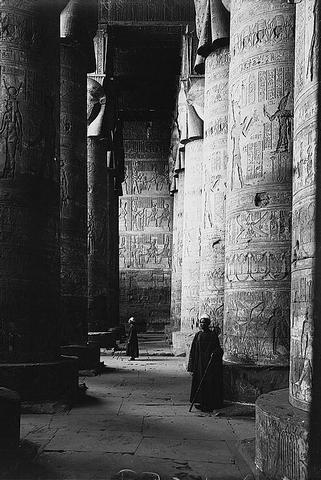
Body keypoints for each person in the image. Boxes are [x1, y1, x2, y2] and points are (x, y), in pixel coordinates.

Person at [187, 314, 223, 412]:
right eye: (201, 322)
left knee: (209, 383)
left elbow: (218, 349)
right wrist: (191, 366)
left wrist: (215, 353)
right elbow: (193, 350)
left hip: (209, 364)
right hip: (199, 364)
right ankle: (201, 402)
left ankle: (209, 403)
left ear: (208, 324)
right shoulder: (198, 335)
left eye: (204, 322)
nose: (202, 324)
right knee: (199, 383)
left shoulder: (212, 335)